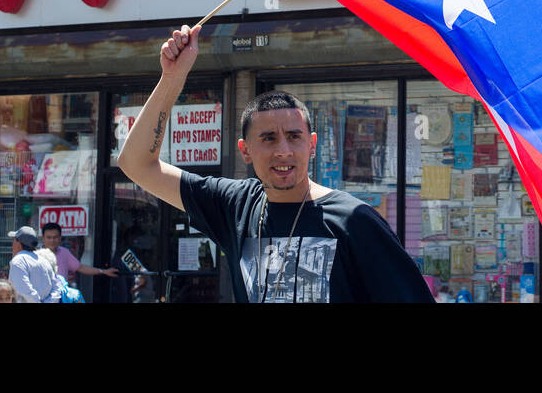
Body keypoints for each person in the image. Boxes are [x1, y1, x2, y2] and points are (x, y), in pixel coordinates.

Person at [117, 23, 434, 303]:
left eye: (294, 137)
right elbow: (136, 163)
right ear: (245, 151)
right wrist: (173, 77)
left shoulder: (354, 220)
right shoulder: (234, 206)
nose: (283, 150)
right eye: (268, 138)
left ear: (311, 145)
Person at [40, 222, 118, 290]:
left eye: (55, 237)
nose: (52, 240)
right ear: (43, 238)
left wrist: (103, 271)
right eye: (49, 237)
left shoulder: (64, 252)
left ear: (60, 238)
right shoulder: (35, 255)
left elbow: (80, 267)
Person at [7, 226, 62, 303]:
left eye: (13, 240)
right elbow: (57, 288)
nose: (12, 245)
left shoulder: (18, 261)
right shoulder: (44, 261)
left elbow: (24, 289)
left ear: (18, 243)